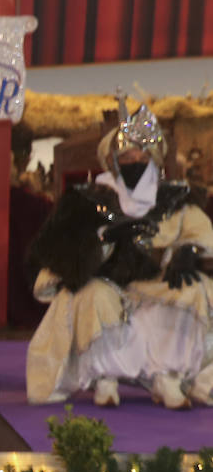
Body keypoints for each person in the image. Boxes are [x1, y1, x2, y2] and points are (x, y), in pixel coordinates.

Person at [27, 99, 213, 409]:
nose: (135, 160)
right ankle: (105, 377)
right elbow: (58, 253)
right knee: (91, 295)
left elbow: (201, 232)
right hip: (105, 283)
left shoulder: (174, 199)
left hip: (154, 284)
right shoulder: (89, 200)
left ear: (154, 159)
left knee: (195, 289)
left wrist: (188, 250)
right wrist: (101, 243)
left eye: (142, 155)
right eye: (127, 155)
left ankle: (167, 375)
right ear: (113, 160)